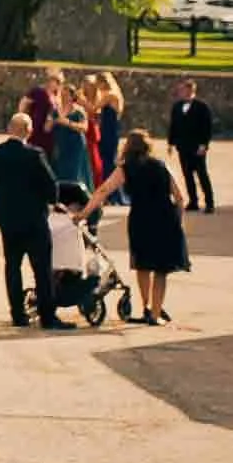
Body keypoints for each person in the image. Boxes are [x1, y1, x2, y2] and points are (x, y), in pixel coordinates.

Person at [82, 128, 189, 324]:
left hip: (141, 219)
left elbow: (104, 190)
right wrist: (179, 222)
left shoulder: (125, 168)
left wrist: (83, 213)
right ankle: (156, 314)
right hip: (165, 219)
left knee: (143, 264)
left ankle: (146, 306)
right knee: (161, 269)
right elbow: (180, 197)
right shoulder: (162, 165)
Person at [0, 112, 72, 329]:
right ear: (29, 131)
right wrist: (52, 200)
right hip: (34, 219)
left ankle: (18, 314)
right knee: (41, 269)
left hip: (7, 218)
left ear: (8, 129)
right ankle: (47, 316)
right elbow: (51, 186)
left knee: (12, 266)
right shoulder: (35, 155)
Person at [168, 79, 216, 214]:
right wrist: (171, 143)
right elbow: (174, 125)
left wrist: (204, 145)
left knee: (202, 174)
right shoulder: (177, 107)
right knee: (187, 174)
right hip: (183, 146)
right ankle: (193, 201)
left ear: (190, 90)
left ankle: (209, 202)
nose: (180, 92)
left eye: (182, 90)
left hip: (197, 146)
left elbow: (207, 127)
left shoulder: (202, 107)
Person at [50, 88, 94, 192]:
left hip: (75, 145)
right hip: (61, 144)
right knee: (60, 169)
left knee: (74, 171)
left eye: (67, 95)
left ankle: (77, 196)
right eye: (62, 95)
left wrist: (68, 123)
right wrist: (51, 121)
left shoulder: (79, 111)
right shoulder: (56, 110)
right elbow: (47, 128)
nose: (64, 97)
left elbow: (84, 128)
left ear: (72, 96)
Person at [24, 70, 62, 161]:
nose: (54, 84)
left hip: (49, 129)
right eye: (52, 81)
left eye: (57, 82)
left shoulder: (57, 96)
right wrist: (24, 117)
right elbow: (24, 103)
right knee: (34, 150)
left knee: (47, 153)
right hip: (36, 125)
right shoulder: (38, 91)